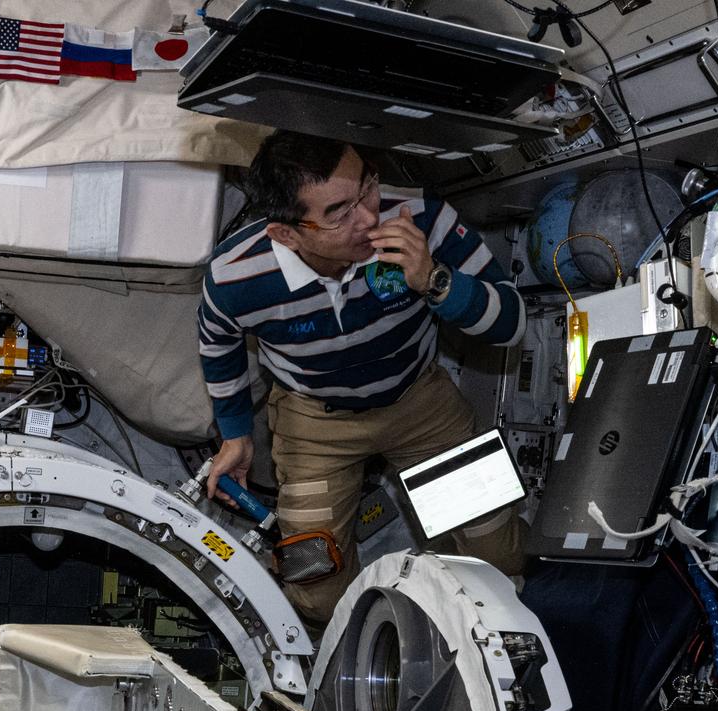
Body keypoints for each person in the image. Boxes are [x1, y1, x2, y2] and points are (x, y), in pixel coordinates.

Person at [197, 131, 530, 625]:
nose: (370, 218)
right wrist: (235, 435)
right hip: (315, 422)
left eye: (367, 188)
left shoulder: (420, 218)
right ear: (287, 233)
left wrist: (435, 279)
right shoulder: (234, 275)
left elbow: (513, 324)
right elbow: (218, 344)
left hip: (420, 403)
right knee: (316, 591)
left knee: (500, 555)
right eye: (339, 212)